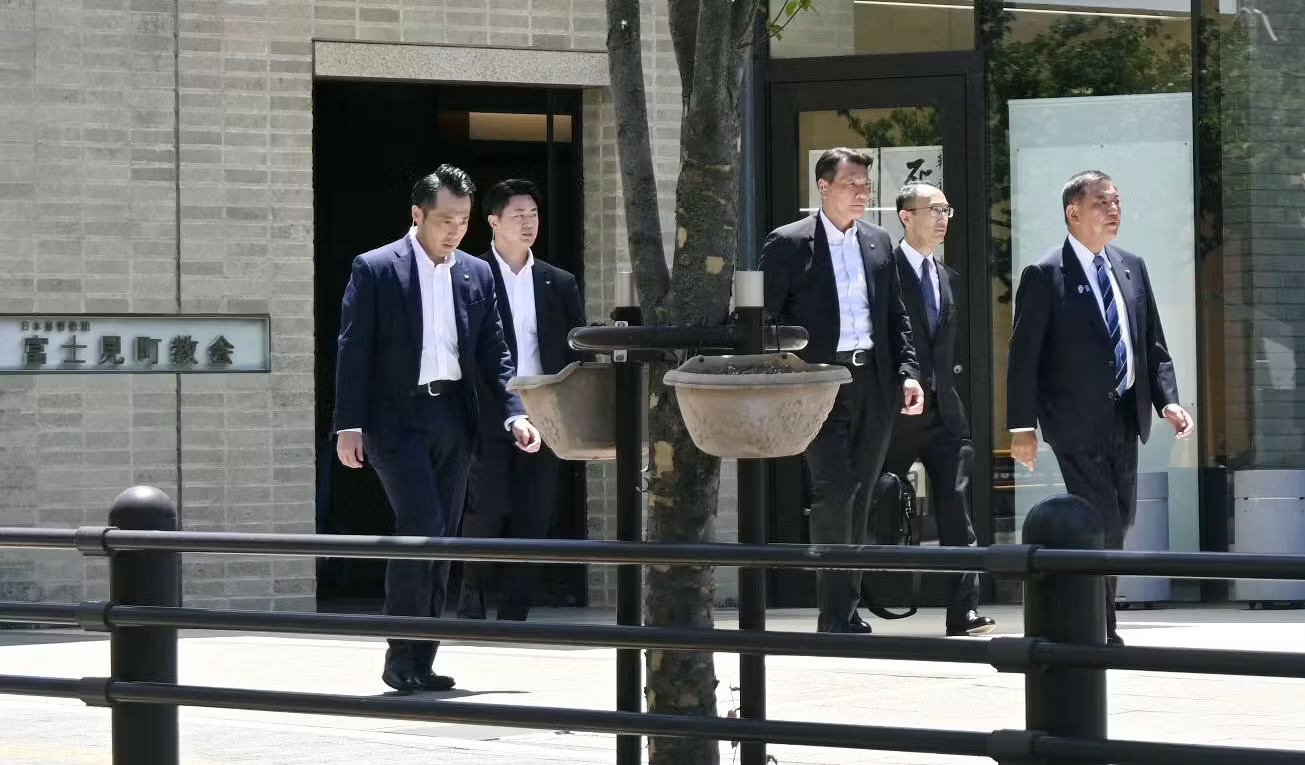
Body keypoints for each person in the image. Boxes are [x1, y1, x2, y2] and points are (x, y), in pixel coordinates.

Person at [333, 164, 543, 692]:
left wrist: (515, 412)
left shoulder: (475, 273)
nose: (455, 230)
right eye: (445, 220)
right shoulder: (376, 268)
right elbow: (353, 350)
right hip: (394, 419)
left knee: (443, 537)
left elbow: (495, 351)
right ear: (417, 215)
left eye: (463, 221)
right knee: (420, 527)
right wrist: (349, 425)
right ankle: (400, 654)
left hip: (453, 415)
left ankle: (423, 659)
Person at [1007, 170, 1194, 645]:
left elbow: (1152, 344)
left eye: (1117, 201)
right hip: (1073, 421)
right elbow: (1024, 357)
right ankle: (1099, 627)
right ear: (1073, 212)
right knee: (1104, 518)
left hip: (1125, 416)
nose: (1114, 210)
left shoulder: (1131, 266)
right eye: (1101, 203)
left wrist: (1168, 401)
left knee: (1121, 518)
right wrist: (1021, 427)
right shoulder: (1045, 274)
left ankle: (1096, 617)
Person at [761, 147, 926, 634]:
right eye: (851, 184)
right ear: (824, 187)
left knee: (862, 492)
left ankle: (846, 609)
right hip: (818, 384)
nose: (861, 193)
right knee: (836, 491)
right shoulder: (790, 243)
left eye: (866, 185)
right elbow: (764, 321)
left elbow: (896, 316)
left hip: (873, 382)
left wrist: (908, 373)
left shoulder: (878, 242)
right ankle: (834, 615)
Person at [457, 179, 588, 622]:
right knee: (486, 508)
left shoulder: (558, 281)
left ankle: (516, 611)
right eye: (518, 216)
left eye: (533, 215)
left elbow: (575, 351)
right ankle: (472, 600)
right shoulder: (467, 274)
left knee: (534, 514)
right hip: (487, 411)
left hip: (543, 413)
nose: (528, 223)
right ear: (493, 221)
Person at [873, 182, 994, 637]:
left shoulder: (947, 277)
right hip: (896, 412)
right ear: (906, 216)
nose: (943, 219)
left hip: (946, 415)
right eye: (934, 210)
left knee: (957, 510)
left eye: (947, 210)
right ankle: (853, 601)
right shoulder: (882, 273)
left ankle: (963, 611)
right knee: (870, 500)